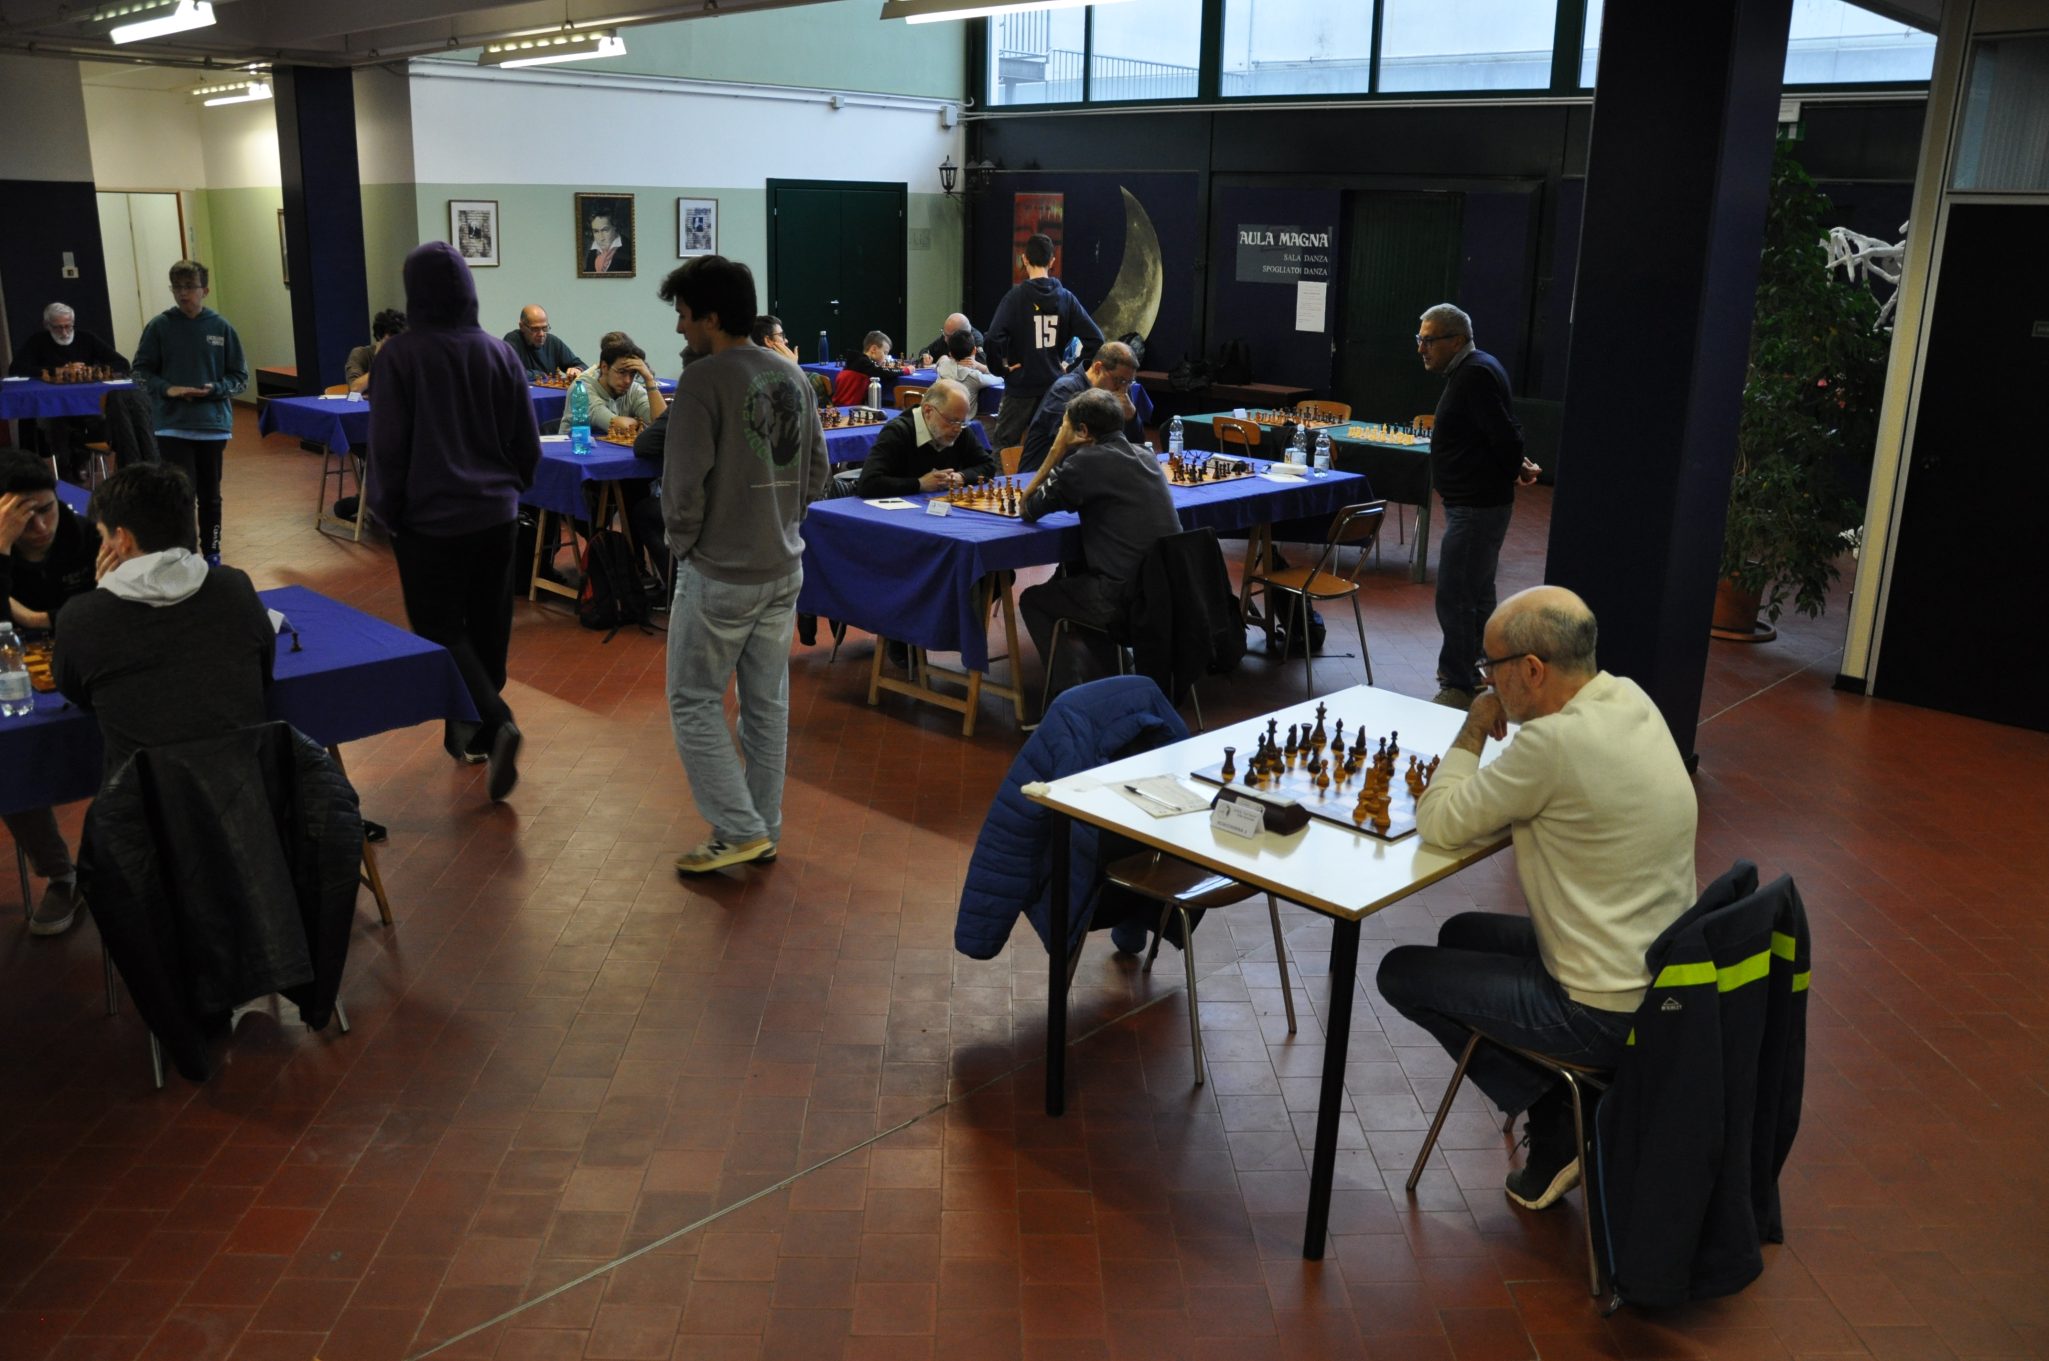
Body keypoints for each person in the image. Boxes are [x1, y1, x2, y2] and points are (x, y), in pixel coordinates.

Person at [1374, 586, 1697, 1212]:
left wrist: (1471, 728)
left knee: (1401, 972)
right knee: (1462, 933)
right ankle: (1564, 1100)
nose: (1486, 682)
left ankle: (1559, 1118)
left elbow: (1440, 822)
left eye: (1491, 668)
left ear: (1531, 670)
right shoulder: (1629, 697)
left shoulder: (1550, 746)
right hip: (1655, 975)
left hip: (1598, 1009)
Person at [658, 255, 828, 874]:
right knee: (767, 706)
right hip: (784, 568)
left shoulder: (702, 382)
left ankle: (735, 829)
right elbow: (818, 475)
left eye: (682, 315)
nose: (679, 329)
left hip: (720, 572)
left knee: (693, 701)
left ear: (709, 316)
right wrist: (780, 522)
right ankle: (765, 829)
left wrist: (686, 547)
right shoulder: (793, 376)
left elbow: (681, 491)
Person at [368, 242, 542, 800]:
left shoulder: (398, 355)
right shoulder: (500, 353)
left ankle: (496, 721)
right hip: (496, 515)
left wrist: (386, 510)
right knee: (490, 626)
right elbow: (527, 442)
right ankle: (477, 733)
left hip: (430, 521)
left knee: (441, 627)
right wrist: (511, 488)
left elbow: (389, 447)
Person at [53, 461, 275, 786]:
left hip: (142, 814)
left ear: (123, 540)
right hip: (244, 801)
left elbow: (75, 691)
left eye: (103, 537)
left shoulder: (82, 616)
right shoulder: (235, 587)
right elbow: (263, 671)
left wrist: (100, 595)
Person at [1018, 387, 1181, 704]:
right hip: (1168, 593)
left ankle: (1069, 696)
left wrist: (1057, 449)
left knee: (1033, 600)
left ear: (1081, 431)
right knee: (1081, 586)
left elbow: (1028, 507)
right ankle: (1124, 678)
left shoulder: (1085, 462)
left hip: (1123, 599)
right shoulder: (1146, 455)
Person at [1414, 302, 1540, 710]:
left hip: (1475, 506)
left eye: (1429, 340)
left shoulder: (1474, 375)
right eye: (1419, 340)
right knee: (1479, 593)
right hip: (1478, 503)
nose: (1421, 349)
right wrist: (1514, 465)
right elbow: (1493, 432)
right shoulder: (1478, 368)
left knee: (1455, 595)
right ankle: (1489, 670)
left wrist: (1511, 464)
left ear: (1456, 340)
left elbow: (1507, 434)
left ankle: (1458, 683)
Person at [0, 449, 101, 934]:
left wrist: (38, 619)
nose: (40, 526)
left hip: (82, 669)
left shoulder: (85, 535)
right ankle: (61, 874)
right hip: (16, 676)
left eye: (47, 509)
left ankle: (122, 865)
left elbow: (109, 607)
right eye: (24, 515)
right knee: (8, 762)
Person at [131, 261, 245, 568]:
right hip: (173, 425)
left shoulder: (221, 327)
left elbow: (239, 377)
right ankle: (183, 552)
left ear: (204, 290)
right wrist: (169, 390)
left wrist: (216, 389)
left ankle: (212, 552)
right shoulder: (160, 326)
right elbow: (140, 372)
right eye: (177, 287)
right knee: (180, 493)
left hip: (213, 424)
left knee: (211, 495)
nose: (183, 294)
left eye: (189, 287)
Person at [985, 233, 1103, 449]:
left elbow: (993, 338)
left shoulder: (1015, 297)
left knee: (1003, 447)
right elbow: (1096, 339)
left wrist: (999, 369)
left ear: (1024, 259)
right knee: (1055, 447)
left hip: (1021, 386)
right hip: (1055, 386)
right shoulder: (1066, 297)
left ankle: (1008, 484)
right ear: (1052, 261)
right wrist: (1074, 369)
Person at [9, 303, 130, 484]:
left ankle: (84, 462)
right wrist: (56, 371)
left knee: (103, 421)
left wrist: (90, 369)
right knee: (53, 426)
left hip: (85, 405)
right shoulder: (38, 342)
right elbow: (16, 368)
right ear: (47, 325)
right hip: (52, 406)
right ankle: (64, 470)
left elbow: (122, 363)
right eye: (58, 327)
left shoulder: (86, 339)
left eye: (68, 326)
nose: (64, 332)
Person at [1017, 339, 1144, 475]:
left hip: (1085, 476)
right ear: (1098, 368)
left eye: (1130, 382)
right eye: (1119, 380)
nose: (1124, 389)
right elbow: (1072, 446)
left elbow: (1136, 448)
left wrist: (1132, 418)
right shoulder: (1065, 390)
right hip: (1040, 477)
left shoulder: (1119, 391)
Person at [853, 379, 992, 498]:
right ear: (928, 411)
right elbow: (868, 484)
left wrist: (962, 477)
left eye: (962, 422)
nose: (957, 429)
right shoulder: (897, 432)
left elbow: (988, 466)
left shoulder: (960, 429)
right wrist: (920, 484)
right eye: (951, 421)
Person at [561, 337, 668, 438]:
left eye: (632, 374)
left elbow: (663, 425)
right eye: (621, 372)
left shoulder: (633, 389)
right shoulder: (581, 388)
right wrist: (641, 423)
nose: (627, 380)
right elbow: (619, 426)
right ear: (604, 367)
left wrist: (649, 379)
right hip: (573, 452)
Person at [502, 306, 585, 381]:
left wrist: (578, 369)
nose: (541, 334)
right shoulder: (513, 340)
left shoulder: (552, 342)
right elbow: (509, 372)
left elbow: (583, 366)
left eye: (545, 328)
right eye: (535, 329)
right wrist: (540, 374)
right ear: (522, 326)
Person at [344, 309, 407, 394]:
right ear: (378, 336)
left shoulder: (405, 357)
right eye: (390, 341)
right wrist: (382, 363)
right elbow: (355, 388)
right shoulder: (361, 354)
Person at [935, 329, 996, 410]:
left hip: (940, 416)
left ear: (951, 354)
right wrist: (980, 366)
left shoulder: (943, 365)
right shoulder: (974, 377)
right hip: (962, 421)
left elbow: (940, 362)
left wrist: (944, 357)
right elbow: (999, 376)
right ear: (974, 350)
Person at [916, 313, 984, 368]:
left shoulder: (975, 340)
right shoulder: (946, 336)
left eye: (949, 336)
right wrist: (925, 356)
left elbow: (980, 363)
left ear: (961, 335)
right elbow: (926, 350)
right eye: (944, 333)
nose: (945, 340)